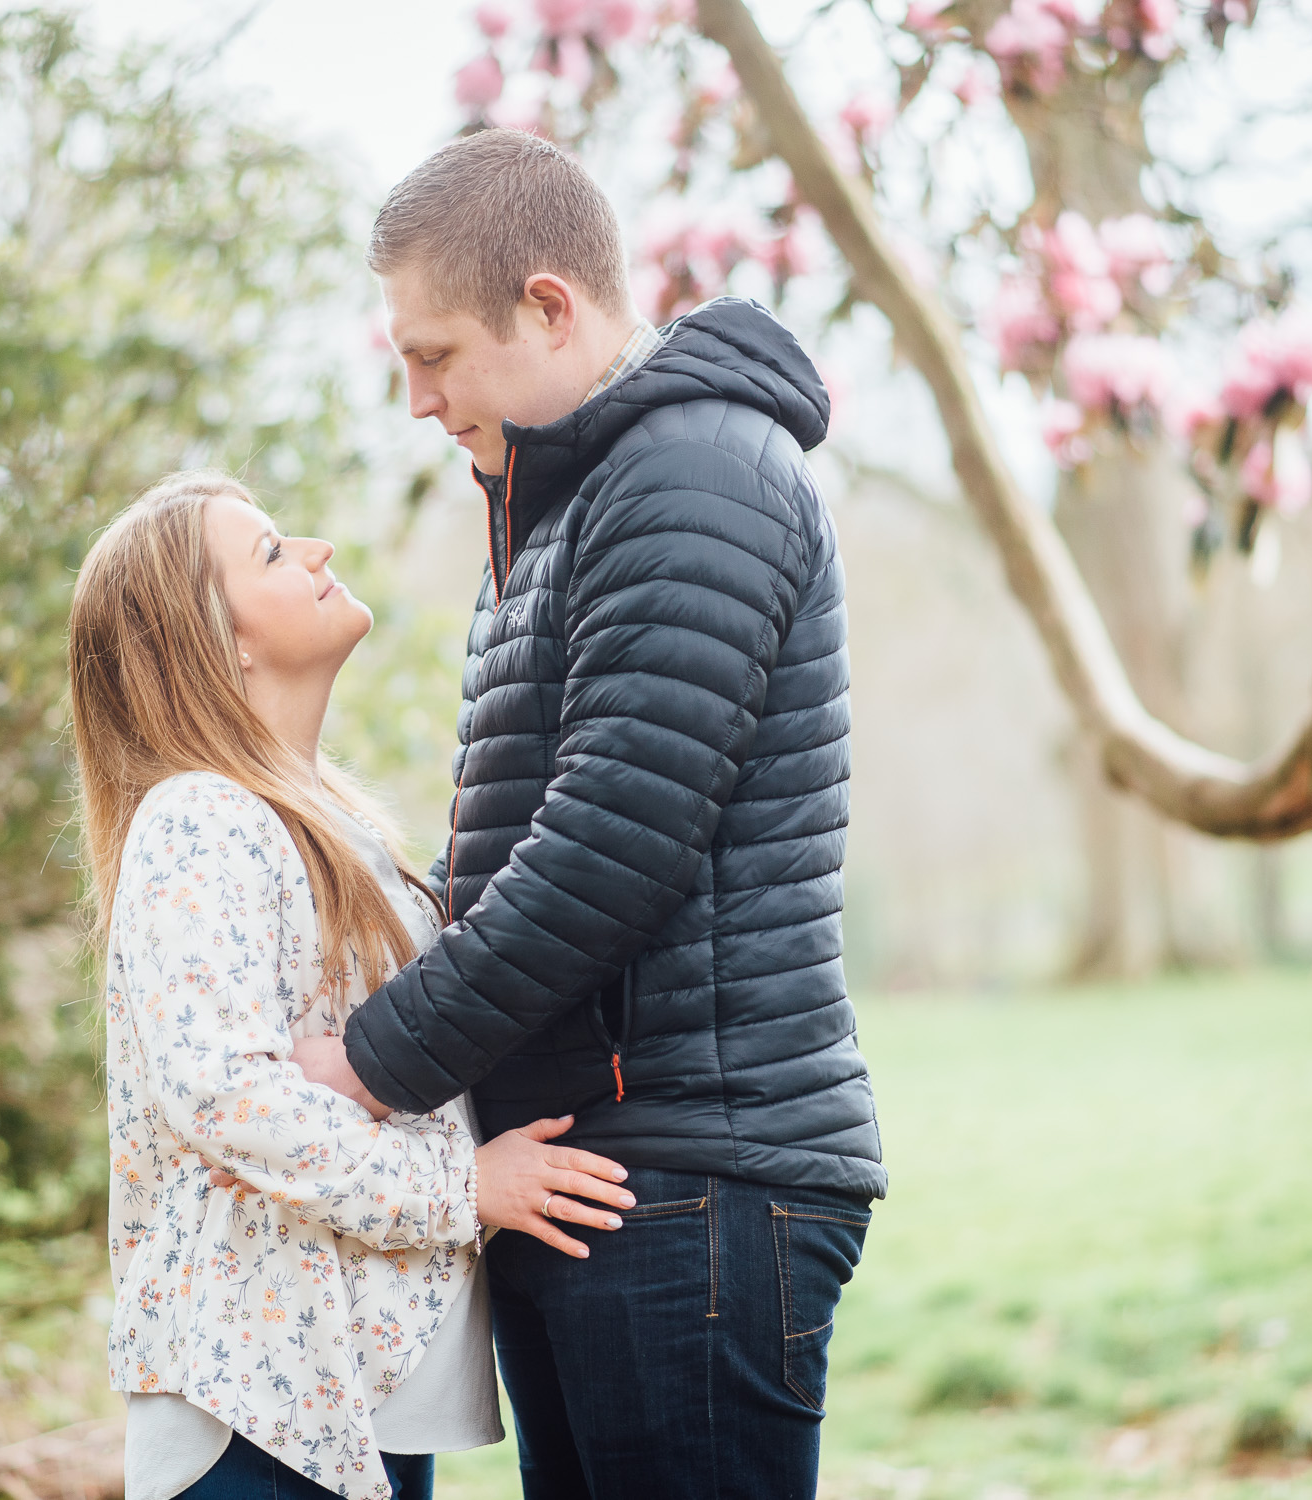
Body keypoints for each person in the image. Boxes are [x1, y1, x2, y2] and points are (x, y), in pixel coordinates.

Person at [295, 128, 889, 1499]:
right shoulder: (565, 506)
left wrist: (371, 1067)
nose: (418, 397)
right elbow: (510, 843)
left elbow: (607, 849)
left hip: (690, 1179)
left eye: (434, 352)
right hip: (597, 1177)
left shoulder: (692, 473)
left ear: (549, 306)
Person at [68, 471, 635, 1500]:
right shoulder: (200, 820)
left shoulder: (325, 820)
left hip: (351, 1393)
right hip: (259, 1413)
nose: (320, 549)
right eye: (275, 552)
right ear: (217, 640)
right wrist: (464, 1187)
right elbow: (227, 1096)